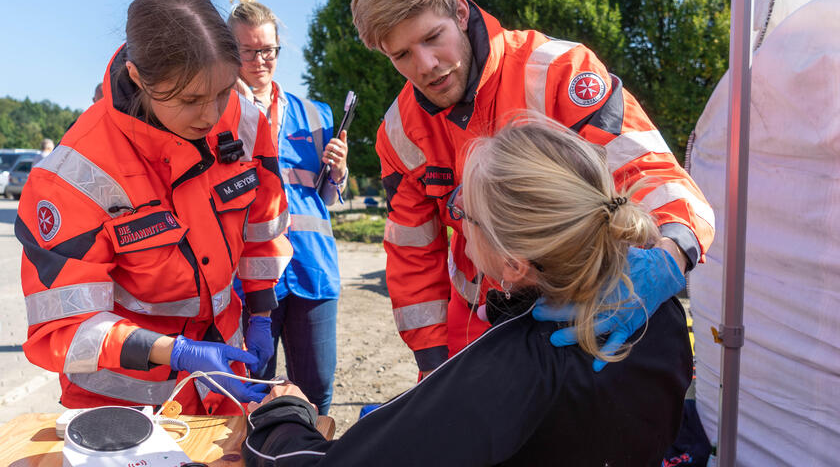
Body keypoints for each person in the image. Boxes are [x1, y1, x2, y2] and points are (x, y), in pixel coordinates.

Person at [241, 115, 693, 466]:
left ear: (513, 264)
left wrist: (282, 418)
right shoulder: (659, 310)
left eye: (465, 214)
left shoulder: (513, 365)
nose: (458, 222)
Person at [350, 0, 715, 376]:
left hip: (596, 310)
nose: (426, 65)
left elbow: (647, 170)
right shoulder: (400, 133)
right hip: (482, 327)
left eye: (433, 38)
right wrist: (433, 365)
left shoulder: (559, 70)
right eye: (402, 55)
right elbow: (414, 255)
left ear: (462, 14)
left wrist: (670, 255)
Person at [17, 0, 293, 415]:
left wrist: (260, 310)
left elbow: (263, 228)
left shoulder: (244, 122)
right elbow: (63, 328)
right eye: (190, 99)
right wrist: (175, 351)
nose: (210, 115)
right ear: (138, 78)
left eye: (223, 91)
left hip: (221, 384)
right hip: (118, 411)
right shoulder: (71, 177)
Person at [227, 0, 348, 415]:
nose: (261, 60)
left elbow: (326, 196)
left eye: (269, 50)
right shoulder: (216, 115)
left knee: (316, 391)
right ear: (229, 51)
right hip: (250, 278)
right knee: (250, 390)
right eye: (249, 51)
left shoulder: (316, 114)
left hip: (313, 270)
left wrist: (338, 172)